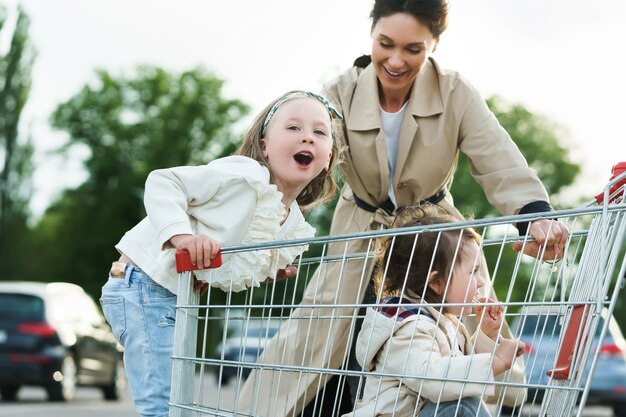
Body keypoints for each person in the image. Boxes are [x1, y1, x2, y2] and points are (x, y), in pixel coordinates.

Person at [239, 1, 568, 415]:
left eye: (413, 49)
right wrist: (265, 239)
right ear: (371, 34)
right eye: (385, 44)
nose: (395, 60)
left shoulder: (456, 92)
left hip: (435, 235)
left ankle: (497, 408)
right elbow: (300, 163)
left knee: (468, 319)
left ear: (434, 44)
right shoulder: (339, 92)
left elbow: (498, 158)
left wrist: (535, 215)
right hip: (360, 228)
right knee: (323, 337)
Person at [99, 90, 343, 417]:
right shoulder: (244, 175)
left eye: (319, 132)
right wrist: (181, 237)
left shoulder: (291, 220)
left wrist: (268, 271)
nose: (308, 138)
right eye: (294, 128)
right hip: (143, 285)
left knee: (179, 405)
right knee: (164, 407)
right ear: (265, 145)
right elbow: (164, 182)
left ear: (328, 157)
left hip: (177, 296)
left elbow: (235, 257)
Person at [345, 205, 526, 417]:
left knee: (464, 399)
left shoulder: (444, 322)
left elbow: (457, 371)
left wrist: (486, 335)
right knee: (463, 404)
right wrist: (495, 363)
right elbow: (433, 378)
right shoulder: (407, 327)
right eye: (473, 272)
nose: (481, 282)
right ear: (437, 282)